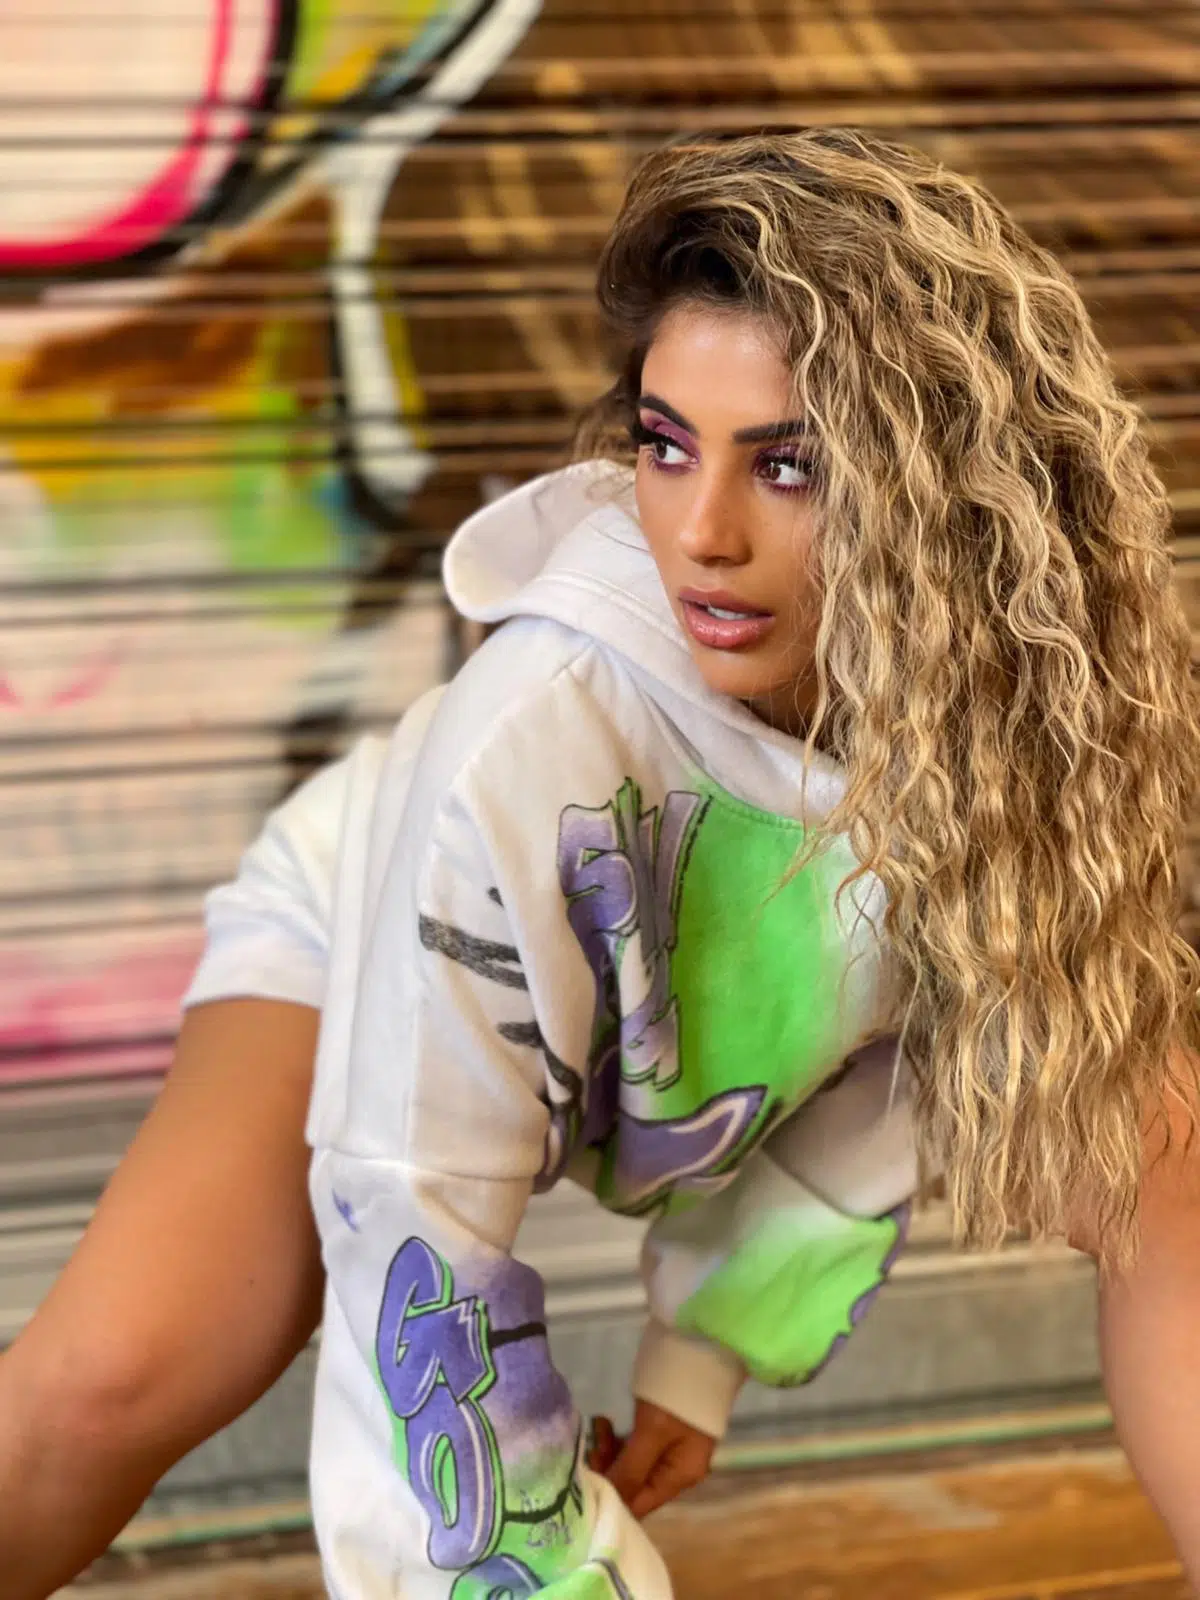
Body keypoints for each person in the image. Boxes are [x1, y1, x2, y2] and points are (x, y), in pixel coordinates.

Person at [3, 125, 1200, 1597]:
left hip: (677, 1023)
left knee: (1165, 1158)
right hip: (372, 911)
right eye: (664, 443)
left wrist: (705, 1351)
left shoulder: (1010, 711)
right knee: (135, 1367)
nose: (702, 533)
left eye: (789, 465)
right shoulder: (535, 739)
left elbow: (889, 1060)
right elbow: (419, 1234)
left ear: (936, 484)